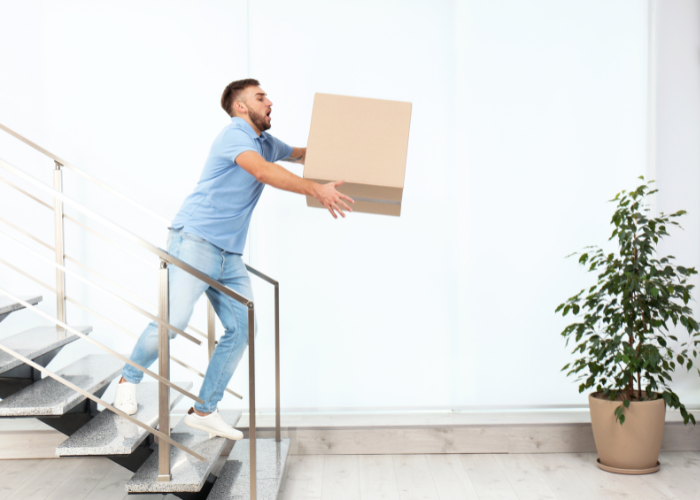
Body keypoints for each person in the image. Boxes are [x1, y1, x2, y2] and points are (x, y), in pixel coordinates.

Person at [113, 79, 354, 440]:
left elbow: (303, 154)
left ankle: (203, 409)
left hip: (229, 254)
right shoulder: (235, 137)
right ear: (241, 107)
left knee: (242, 328)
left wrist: (357, 145)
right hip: (194, 240)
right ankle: (127, 380)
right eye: (261, 97)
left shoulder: (265, 142)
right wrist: (315, 189)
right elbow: (262, 171)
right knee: (175, 320)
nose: (270, 101)